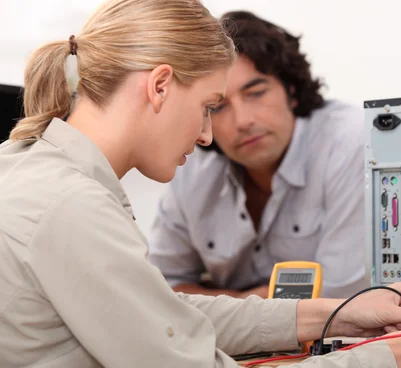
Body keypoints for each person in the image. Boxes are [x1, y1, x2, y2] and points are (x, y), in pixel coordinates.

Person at [0, 0, 401, 368]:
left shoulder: (12, 167)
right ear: (159, 87)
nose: (209, 134)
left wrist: (333, 316)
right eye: (209, 106)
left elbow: (163, 313)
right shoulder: (71, 206)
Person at [148, 11, 368, 299]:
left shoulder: (349, 143)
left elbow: (339, 299)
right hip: (233, 342)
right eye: (218, 106)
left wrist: (221, 304)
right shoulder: (193, 165)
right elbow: (159, 290)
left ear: (290, 89)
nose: (242, 121)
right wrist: (251, 306)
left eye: (256, 93)